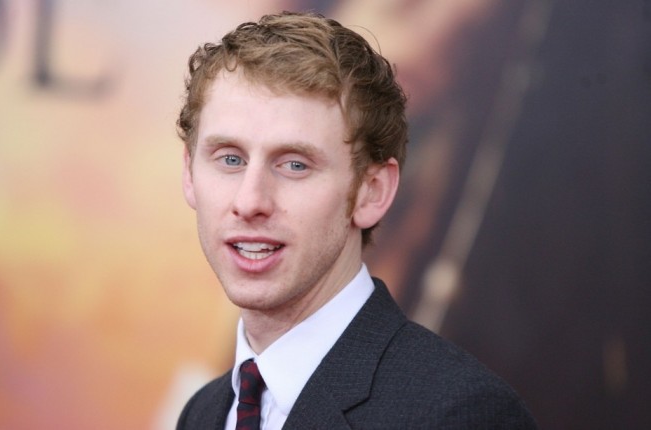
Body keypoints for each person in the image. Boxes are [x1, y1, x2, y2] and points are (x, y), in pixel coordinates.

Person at [176, 11, 536, 429]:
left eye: (295, 164)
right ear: (189, 174)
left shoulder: (459, 413)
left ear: (372, 191)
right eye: (230, 159)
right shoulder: (203, 413)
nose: (250, 200)